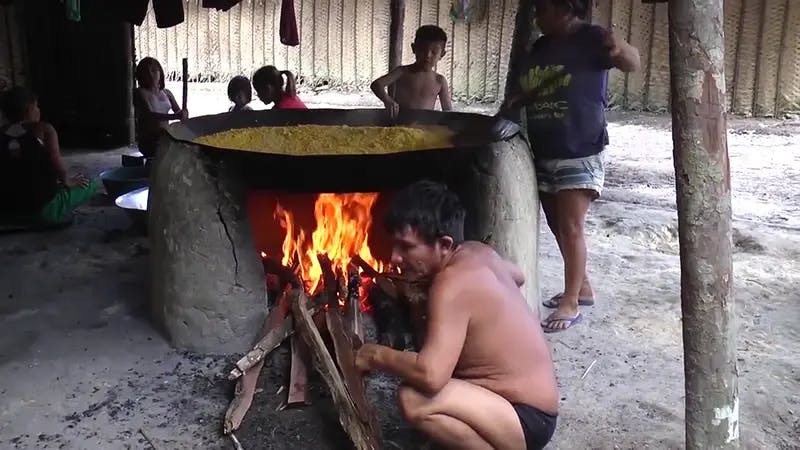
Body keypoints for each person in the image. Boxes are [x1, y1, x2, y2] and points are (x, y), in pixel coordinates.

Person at [355, 180, 559, 450]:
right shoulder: (477, 251)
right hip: (524, 407)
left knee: (413, 399)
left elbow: (431, 375)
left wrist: (375, 355)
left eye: (406, 247)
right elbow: (517, 277)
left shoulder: (452, 283)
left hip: (524, 418)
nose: (394, 258)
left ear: (444, 244)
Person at [499, 0, 640, 332]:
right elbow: (534, 88)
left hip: (580, 146)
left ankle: (571, 303)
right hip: (545, 147)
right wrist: (518, 100)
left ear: (566, 9)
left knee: (571, 226)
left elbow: (632, 63)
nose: (537, 16)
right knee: (555, 222)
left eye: (543, 9)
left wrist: (620, 48)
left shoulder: (593, 38)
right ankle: (583, 287)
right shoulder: (541, 47)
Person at [0, 87, 97, 224]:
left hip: (6, 212)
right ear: (29, 109)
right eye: (37, 106)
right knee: (92, 183)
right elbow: (56, 162)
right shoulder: (43, 129)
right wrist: (67, 181)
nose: (39, 110)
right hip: (42, 210)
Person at [370, 25, 453, 118]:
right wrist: (387, 100)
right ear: (414, 48)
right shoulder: (402, 72)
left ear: (442, 54)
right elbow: (376, 85)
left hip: (425, 128)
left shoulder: (440, 81)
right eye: (422, 50)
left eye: (434, 52)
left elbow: (448, 112)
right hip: (398, 126)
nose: (428, 55)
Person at [133, 57, 187, 158]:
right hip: (149, 140)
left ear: (160, 73)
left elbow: (179, 112)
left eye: (153, 70)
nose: (150, 74)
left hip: (165, 137)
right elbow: (150, 115)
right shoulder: (140, 93)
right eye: (146, 72)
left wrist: (183, 114)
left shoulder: (167, 93)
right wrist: (174, 116)